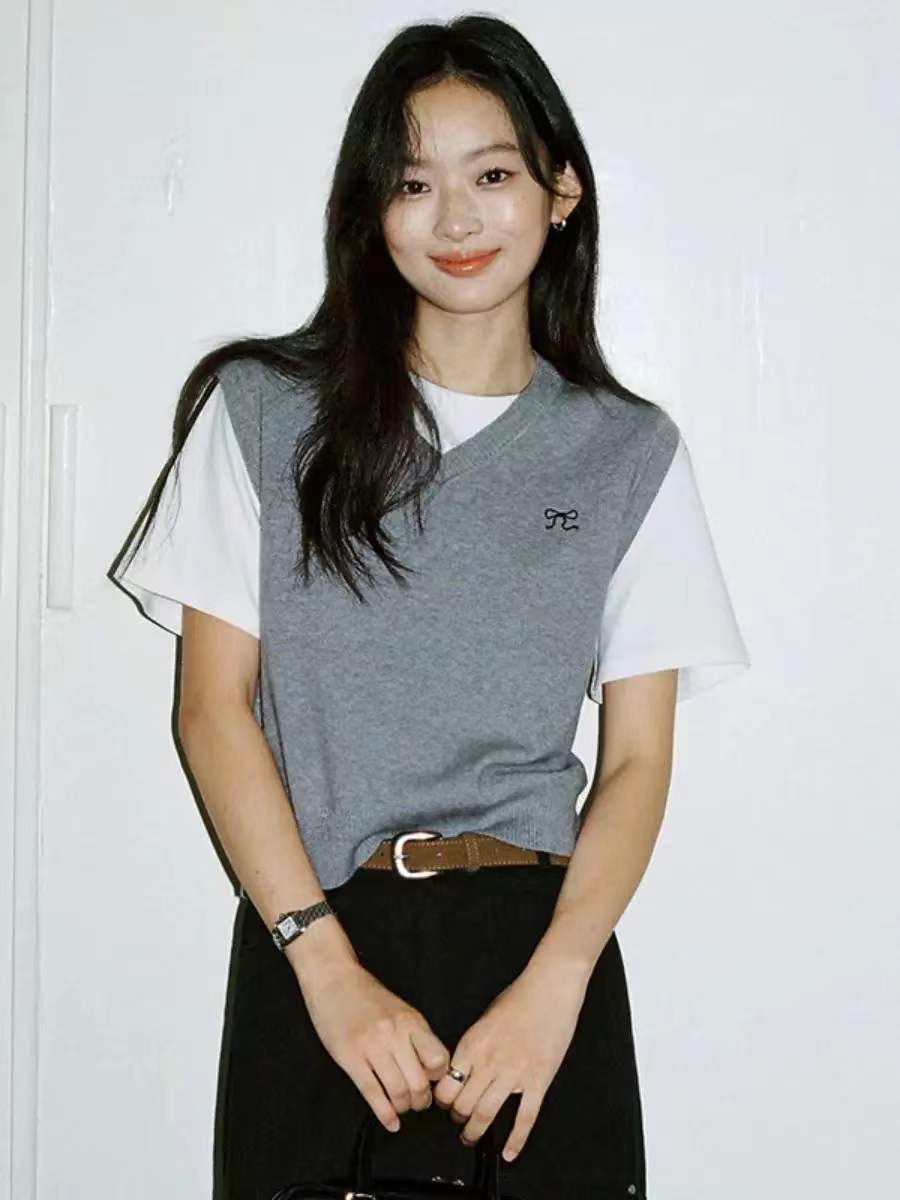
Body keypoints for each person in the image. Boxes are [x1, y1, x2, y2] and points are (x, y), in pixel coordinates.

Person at [110, 14, 750, 1200]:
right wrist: (324, 968)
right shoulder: (261, 414)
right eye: (413, 183)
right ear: (373, 208)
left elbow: (638, 762)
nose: (455, 221)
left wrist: (557, 985)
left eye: (492, 175)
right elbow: (212, 710)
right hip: (321, 943)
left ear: (561, 191)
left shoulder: (627, 454)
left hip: (540, 962)